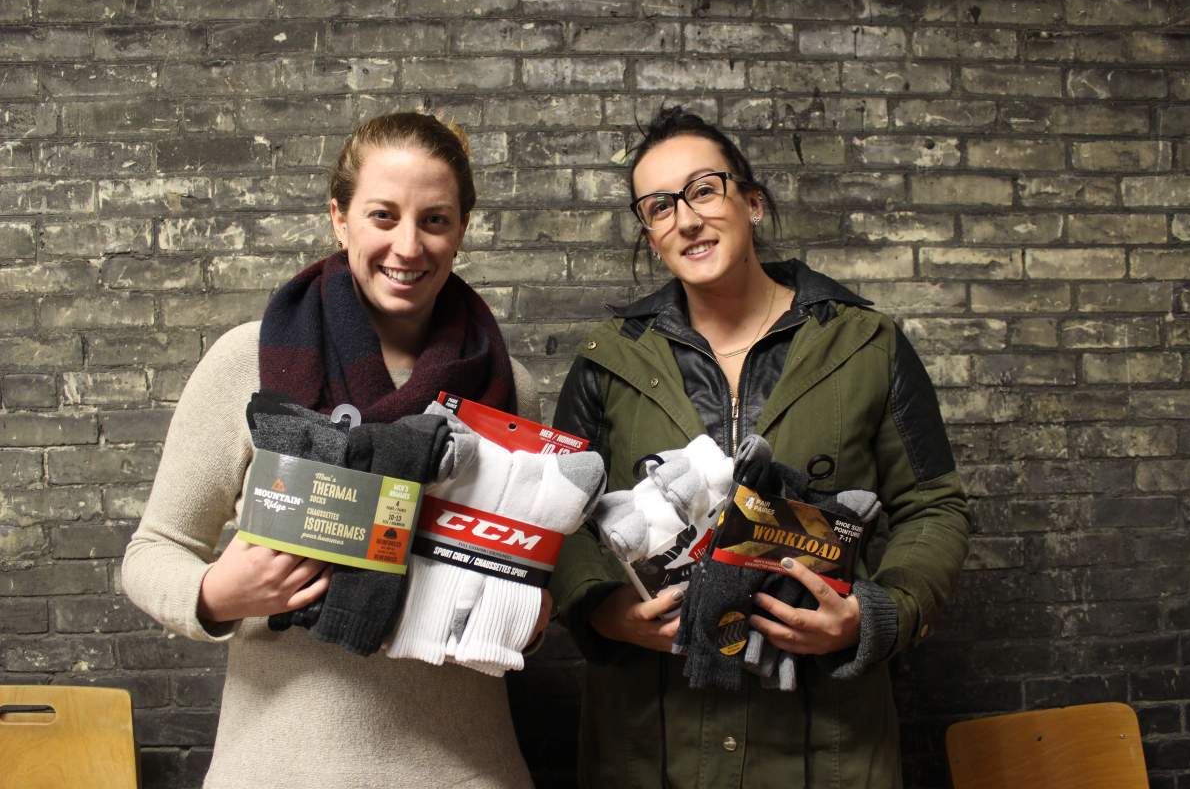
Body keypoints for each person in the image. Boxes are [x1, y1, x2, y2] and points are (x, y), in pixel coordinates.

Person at [550, 107, 970, 788]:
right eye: (659, 207)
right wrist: (601, 607)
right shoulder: (607, 362)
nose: (685, 219)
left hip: (824, 744)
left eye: (704, 190)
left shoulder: (865, 343)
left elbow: (934, 506)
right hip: (652, 742)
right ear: (650, 233)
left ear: (753, 201)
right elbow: (556, 509)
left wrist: (873, 615)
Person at [123, 112, 544, 789]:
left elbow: (523, 574)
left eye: (434, 220)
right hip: (277, 769)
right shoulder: (249, 361)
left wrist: (530, 613)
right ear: (339, 217)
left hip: (463, 770)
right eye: (383, 215)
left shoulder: (509, 389)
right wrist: (214, 592)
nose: (408, 245)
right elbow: (152, 550)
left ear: (462, 227)